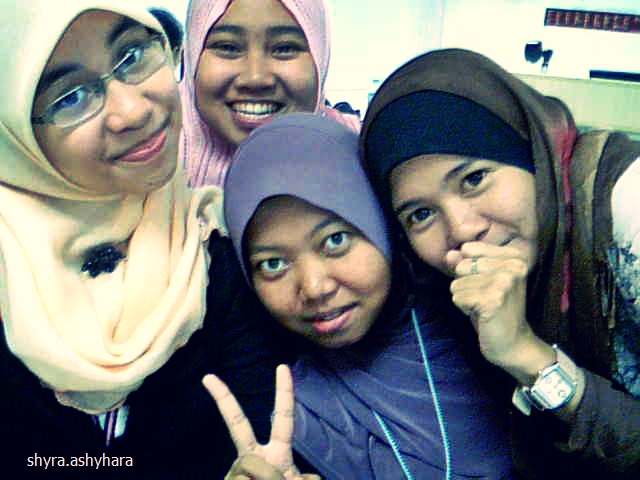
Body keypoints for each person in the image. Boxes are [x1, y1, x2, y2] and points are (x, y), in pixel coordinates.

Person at [0, 0, 281, 477]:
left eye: (132, 56)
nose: (132, 111)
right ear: (15, 134)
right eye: (69, 97)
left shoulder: (216, 254)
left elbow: (255, 435)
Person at [359, 48, 640, 479]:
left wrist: (528, 356)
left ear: (529, 155)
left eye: (474, 179)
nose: (462, 229)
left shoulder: (626, 205)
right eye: (420, 214)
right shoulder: (451, 297)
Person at [211, 113, 518, 479]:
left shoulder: (482, 319)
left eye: (335, 240)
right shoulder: (281, 411)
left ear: (381, 225)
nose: (315, 288)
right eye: (273, 264)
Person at [179, 0, 361, 188]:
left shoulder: (365, 156)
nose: (255, 78)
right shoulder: (159, 151)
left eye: (285, 48)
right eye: (227, 47)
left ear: (320, 54)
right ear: (193, 53)